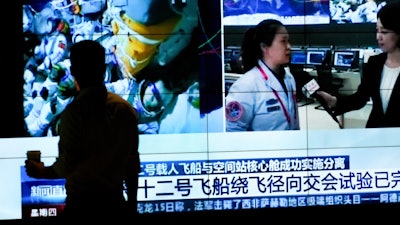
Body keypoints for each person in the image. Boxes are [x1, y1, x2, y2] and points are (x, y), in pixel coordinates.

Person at [24, 40, 141, 223]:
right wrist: (132, 210)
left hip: (82, 209)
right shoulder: (124, 109)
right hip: (116, 206)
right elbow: (132, 166)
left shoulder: (72, 114)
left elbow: (66, 165)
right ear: (103, 69)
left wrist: (42, 171)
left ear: (73, 71)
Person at [318, 1, 400, 128]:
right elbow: (360, 98)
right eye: (377, 30)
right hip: (376, 134)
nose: (378, 36)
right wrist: (334, 101)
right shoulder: (375, 63)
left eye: (384, 32)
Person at [225, 19, 299, 131]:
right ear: (264, 47)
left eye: (288, 41)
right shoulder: (245, 86)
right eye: (283, 41)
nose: (289, 46)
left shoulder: (289, 78)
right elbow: (232, 130)